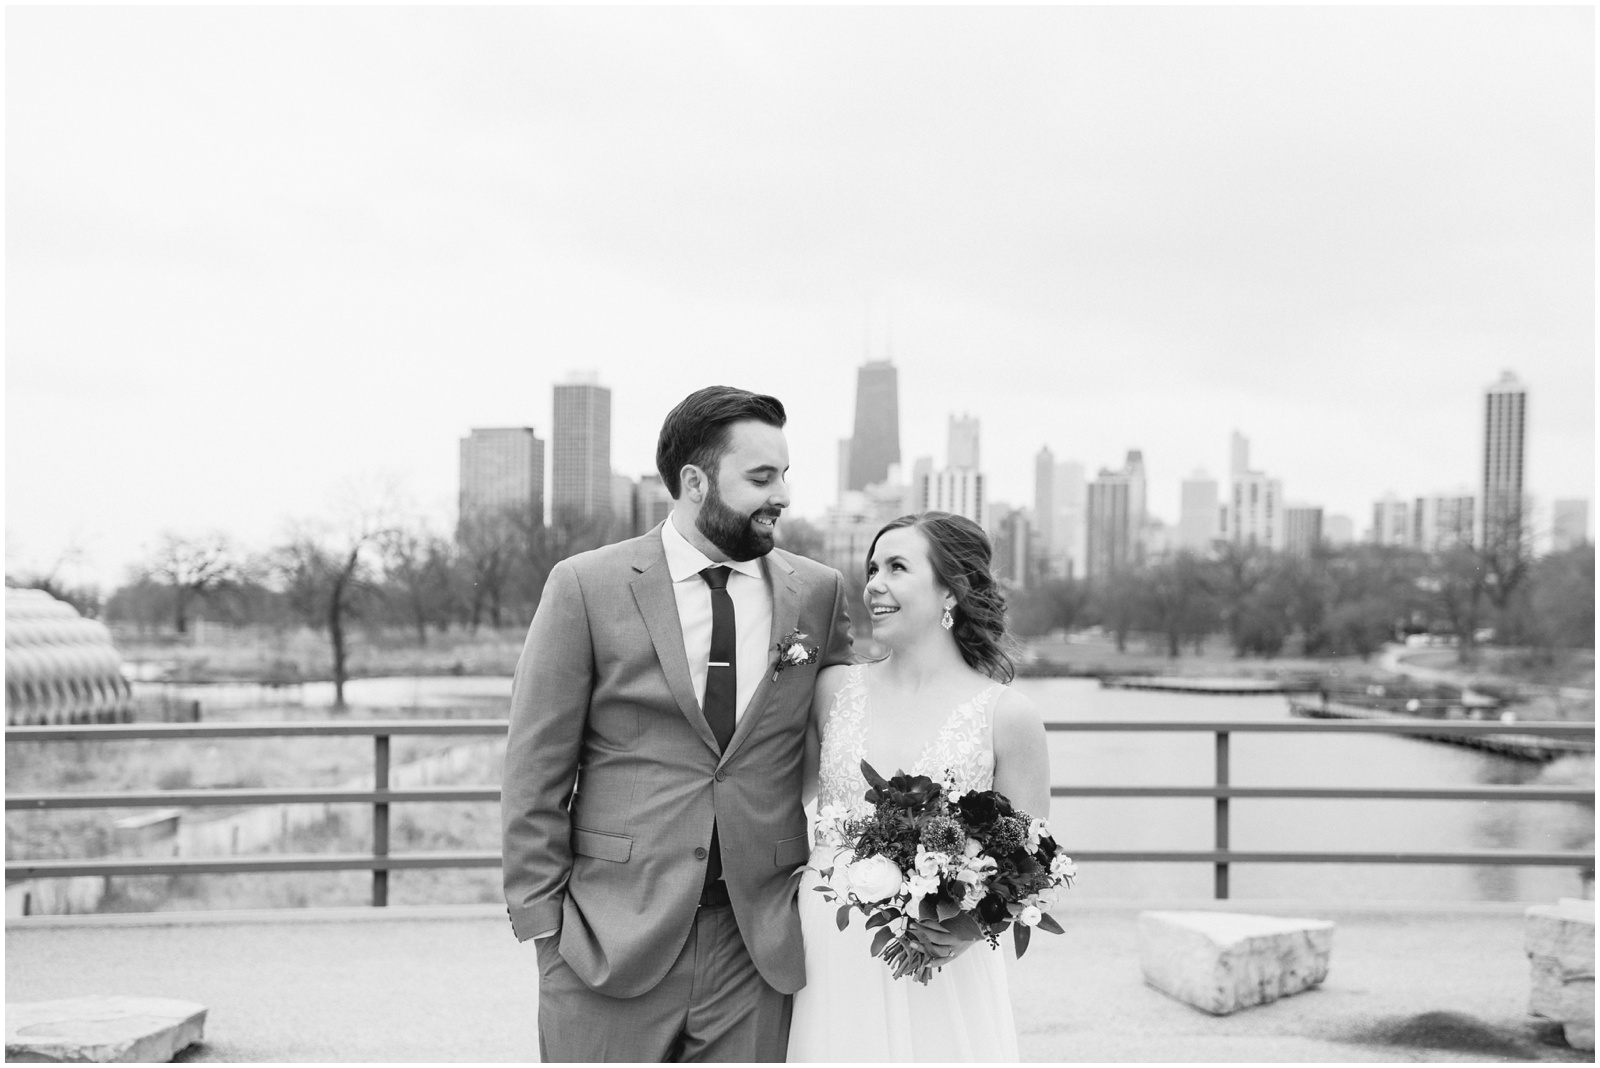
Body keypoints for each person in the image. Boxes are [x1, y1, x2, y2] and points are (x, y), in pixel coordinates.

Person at [501, 385, 855, 1062]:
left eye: (785, 475)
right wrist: (545, 928)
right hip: (608, 936)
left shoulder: (817, 591)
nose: (782, 494)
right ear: (695, 482)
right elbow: (533, 769)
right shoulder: (585, 586)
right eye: (761, 477)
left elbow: (849, 734)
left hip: (758, 946)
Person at [786, 511, 1051, 1062]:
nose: (874, 584)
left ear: (950, 591)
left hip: (937, 962)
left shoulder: (1007, 716)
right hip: (828, 949)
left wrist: (970, 928)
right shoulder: (831, 690)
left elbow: (1030, 862)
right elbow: (775, 798)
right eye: (872, 567)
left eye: (897, 567)